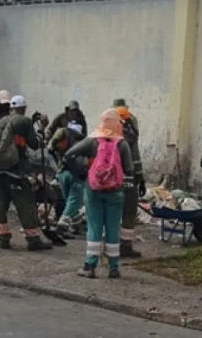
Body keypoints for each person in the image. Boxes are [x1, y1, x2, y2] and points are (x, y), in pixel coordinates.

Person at [64, 109, 134, 279]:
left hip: (93, 190)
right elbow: (130, 169)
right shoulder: (122, 144)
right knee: (112, 228)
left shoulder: (93, 141)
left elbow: (69, 154)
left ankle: (90, 266)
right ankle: (113, 267)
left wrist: (87, 166)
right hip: (115, 192)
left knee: (94, 227)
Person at [0, 95, 53, 251]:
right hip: (15, 170)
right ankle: (33, 239)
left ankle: (3, 238)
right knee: (26, 203)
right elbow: (34, 144)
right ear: (24, 108)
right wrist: (42, 129)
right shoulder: (24, 121)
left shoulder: (1, 121)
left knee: (1, 204)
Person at [115, 98, 144, 258]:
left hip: (109, 180)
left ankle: (108, 245)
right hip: (128, 179)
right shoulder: (131, 134)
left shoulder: (105, 132)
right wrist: (141, 178)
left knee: (111, 212)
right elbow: (136, 158)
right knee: (129, 212)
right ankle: (125, 246)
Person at [50, 119, 86, 238]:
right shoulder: (79, 144)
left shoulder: (61, 143)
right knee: (74, 201)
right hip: (74, 176)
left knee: (69, 202)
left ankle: (74, 226)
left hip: (62, 174)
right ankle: (62, 226)